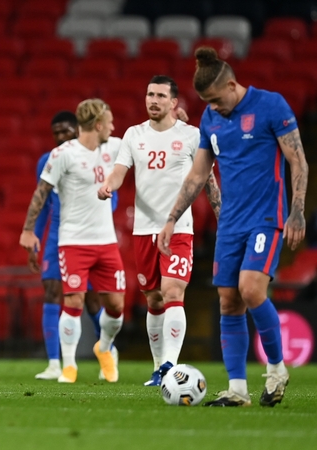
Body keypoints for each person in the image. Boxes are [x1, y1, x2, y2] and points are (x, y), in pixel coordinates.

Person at [158, 47, 308, 407]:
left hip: (266, 218)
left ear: (232, 84)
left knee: (251, 289)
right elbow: (198, 175)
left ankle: (276, 369)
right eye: (206, 102)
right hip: (230, 223)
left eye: (216, 99)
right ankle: (238, 389)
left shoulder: (270, 106)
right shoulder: (211, 119)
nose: (214, 107)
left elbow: (298, 161)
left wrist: (297, 211)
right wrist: (170, 219)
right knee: (228, 303)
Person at [97, 75, 222, 386]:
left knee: (173, 292)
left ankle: (170, 365)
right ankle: (158, 367)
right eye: (149, 94)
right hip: (144, 229)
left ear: (173, 102)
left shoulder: (192, 135)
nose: (153, 100)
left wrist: (222, 214)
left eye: (160, 96)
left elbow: (207, 179)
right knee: (153, 299)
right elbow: (119, 171)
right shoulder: (133, 134)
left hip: (180, 228)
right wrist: (108, 186)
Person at [20, 99, 125, 384]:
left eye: (65, 130)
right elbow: (42, 197)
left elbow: (144, 142)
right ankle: (64, 365)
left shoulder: (115, 147)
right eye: (56, 133)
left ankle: (105, 348)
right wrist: (31, 233)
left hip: (104, 240)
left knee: (111, 305)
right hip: (68, 239)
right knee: (68, 297)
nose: (61, 136)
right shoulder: (58, 156)